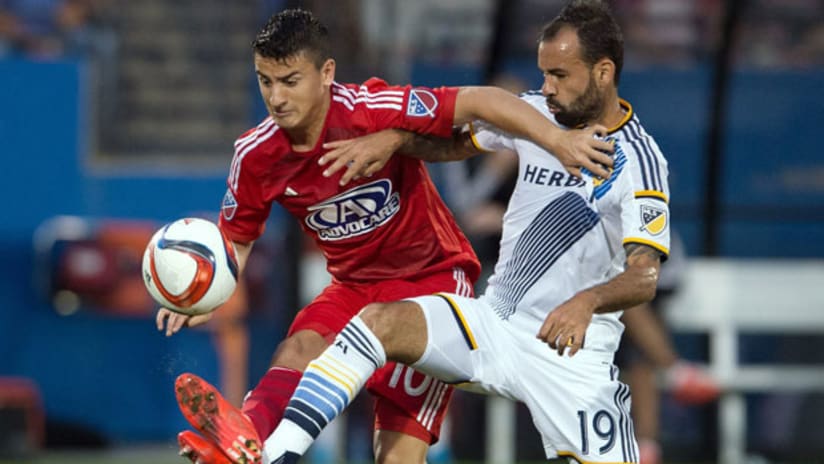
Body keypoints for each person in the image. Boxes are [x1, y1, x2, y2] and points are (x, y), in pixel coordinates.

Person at [156, 8, 614, 464]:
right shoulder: (255, 155)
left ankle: (260, 448)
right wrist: (207, 293)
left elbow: (480, 101)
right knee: (296, 348)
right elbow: (236, 239)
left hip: (432, 283)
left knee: (395, 457)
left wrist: (559, 141)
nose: (276, 97)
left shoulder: (372, 109)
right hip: (352, 288)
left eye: (290, 80)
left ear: (326, 73)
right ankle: (246, 442)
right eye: (265, 81)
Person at [258, 1, 671, 462]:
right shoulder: (535, 116)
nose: (546, 88)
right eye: (543, 74)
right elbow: (455, 143)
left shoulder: (639, 159)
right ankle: (277, 452)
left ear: (603, 72)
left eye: (559, 75)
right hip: (494, 327)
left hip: (573, 359)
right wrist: (394, 140)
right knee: (376, 323)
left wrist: (586, 301)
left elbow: (644, 275)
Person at [616, 232, 719, 464]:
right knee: (628, 304)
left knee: (639, 356)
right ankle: (675, 371)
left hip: (642, 302)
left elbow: (664, 273)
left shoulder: (644, 208)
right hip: (585, 320)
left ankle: (645, 450)